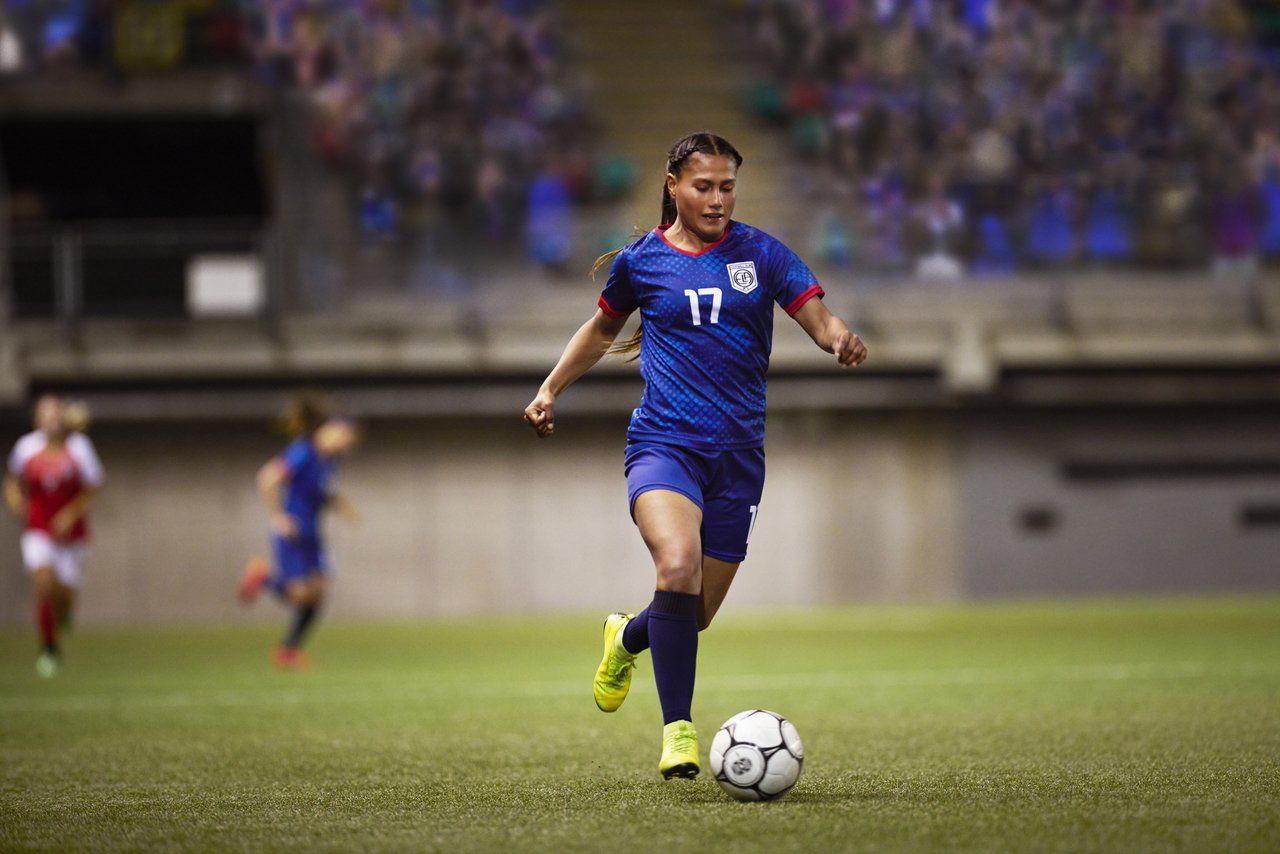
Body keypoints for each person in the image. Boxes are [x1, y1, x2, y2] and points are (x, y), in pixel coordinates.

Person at [523, 132, 868, 779]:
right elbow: (602, 331)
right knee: (675, 564)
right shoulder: (642, 262)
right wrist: (549, 389)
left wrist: (838, 337)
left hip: (738, 457)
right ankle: (678, 732)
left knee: (694, 613)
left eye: (727, 186)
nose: (716, 199)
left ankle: (625, 637)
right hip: (663, 445)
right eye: (703, 186)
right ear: (673, 185)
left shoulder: (762, 254)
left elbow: (815, 316)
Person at [237, 394, 361, 670]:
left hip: (312, 533)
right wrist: (278, 517)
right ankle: (263, 576)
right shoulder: (303, 451)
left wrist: (343, 507)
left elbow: (323, 491)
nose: (348, 439)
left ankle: (288, 651)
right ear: (327, 429)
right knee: (299, 596)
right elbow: (268, 478)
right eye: (344, 433)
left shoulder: (330, 460)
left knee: (318, 594)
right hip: (292, 531)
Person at [4, 394, 105, 678]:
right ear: (37, 419)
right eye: (44, 414)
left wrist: (71, 514)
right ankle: (49, 650)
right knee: (44, 583)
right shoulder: (26, 448)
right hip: (39, 529)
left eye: (55, 414)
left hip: (73, 535)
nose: (50, 419)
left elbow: (93, 487)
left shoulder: (80, 448)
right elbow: (13, 479)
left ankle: (63, 614)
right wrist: (15, 500)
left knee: (65, 597)